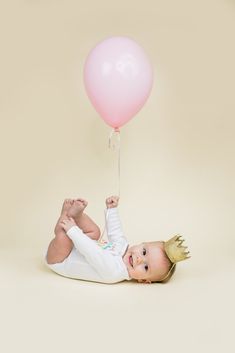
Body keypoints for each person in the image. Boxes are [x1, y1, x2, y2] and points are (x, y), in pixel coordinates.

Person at [45, 196, 190, 284]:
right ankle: (76, 216)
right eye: (144, 251)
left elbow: (92, 251)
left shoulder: (114, 272)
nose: (139, 259)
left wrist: (73, 231)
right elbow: (116, 232)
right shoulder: (124, 249)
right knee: (95, 232)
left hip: (61, 259)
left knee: (64, 239)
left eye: (146, 267)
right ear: (141, 244)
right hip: (76, 248)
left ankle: (65, 216)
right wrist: (112, 209)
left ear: (143, 281)